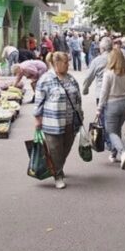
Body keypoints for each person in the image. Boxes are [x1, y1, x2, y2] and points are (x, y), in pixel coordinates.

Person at [34, 52, 84, 189]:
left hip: (71, 121)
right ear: (57, 64)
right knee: (55, 150)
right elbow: (39, 101)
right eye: (66, 62)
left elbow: (78, 99)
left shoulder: (71, 79)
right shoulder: (45, 79)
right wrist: (38, 119)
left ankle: (58, 167)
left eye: (68, 62)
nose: (68, 65)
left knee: (65, 148)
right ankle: (58, 175)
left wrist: (80, 115)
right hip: (52, 122)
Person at [96, 49, 125, 169]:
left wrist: (99, 108)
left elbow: (104, 92)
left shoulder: (108, 73)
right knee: (116, 129)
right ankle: (114, 154)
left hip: (112, 104)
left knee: (111, 131)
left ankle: (123, 151)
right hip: (124, 104)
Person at [83, 37, 112, 104]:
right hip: (117, 94)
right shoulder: (117, 58)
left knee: (102, 113)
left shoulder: (97, 60)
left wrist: (85, 89)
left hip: (101, 92)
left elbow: (89, 77)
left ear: (102, 49)